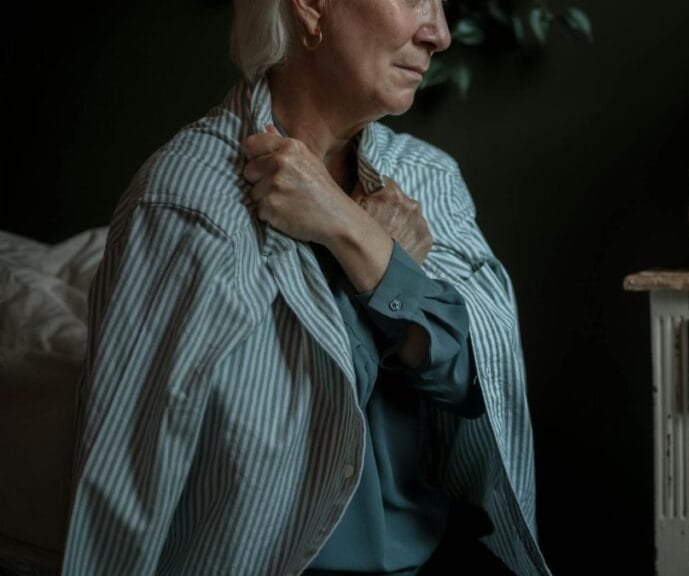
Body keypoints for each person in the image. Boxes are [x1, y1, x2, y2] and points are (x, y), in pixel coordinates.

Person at [61, 0, 547, 574]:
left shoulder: (428, 178)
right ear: (312, 7)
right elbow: (126, 479)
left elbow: (479, 377)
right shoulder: (185, 203)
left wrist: (356, 236)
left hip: (432, 559)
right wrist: (390, 275)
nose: (439, 34)